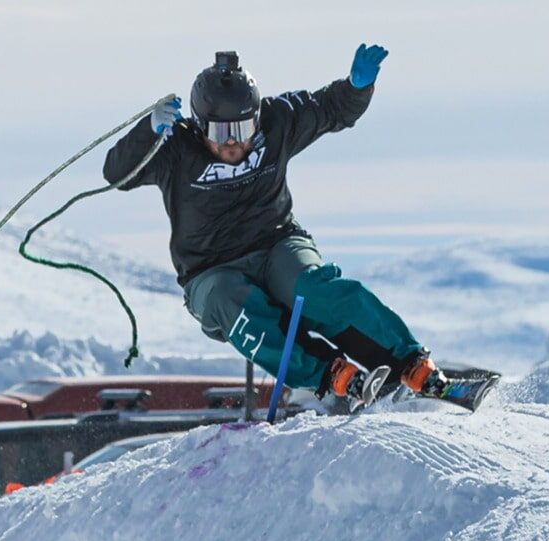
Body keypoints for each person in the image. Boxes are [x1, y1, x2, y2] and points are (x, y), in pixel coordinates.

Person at [105, 45, 442, 413]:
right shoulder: (175, 148)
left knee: (314, 289)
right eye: (221, 131)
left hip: (277, 243)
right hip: (210, 271)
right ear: (200, 125)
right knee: (228, 297)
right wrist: (147, 132)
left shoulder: (277, 121)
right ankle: (330, 375)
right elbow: (117, 174)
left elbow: (332, 108)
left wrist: (358, 86)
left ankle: (409, 363)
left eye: (243, 127)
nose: (234, 141)